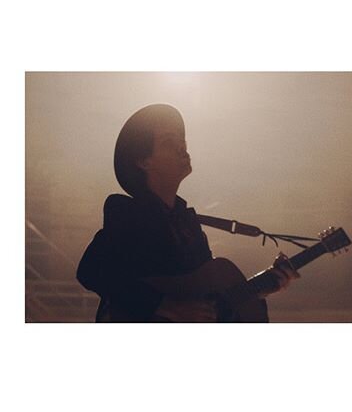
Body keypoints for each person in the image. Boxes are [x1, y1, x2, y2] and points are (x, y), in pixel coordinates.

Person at [77, 103, 300, 322]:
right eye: (168, 142)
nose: (182, 147)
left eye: (181, 140)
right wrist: (167, 307)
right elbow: (91, 270)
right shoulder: (128, 213)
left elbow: (207, 299)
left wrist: (262, 288)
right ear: (144, 161)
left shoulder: (187, 225)